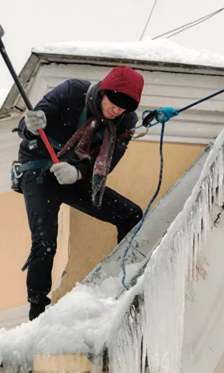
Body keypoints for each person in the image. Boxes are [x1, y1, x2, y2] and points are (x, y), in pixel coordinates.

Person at [15, 66, 145, 320]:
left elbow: (108, 161)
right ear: (103, 92)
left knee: (131, 214)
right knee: (45, 241)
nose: (116, 109)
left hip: (76, 177)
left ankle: (126, 278)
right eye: (114, 101)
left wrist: (78, 174)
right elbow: (29, 125)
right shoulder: (72, 91)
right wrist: (31, 125)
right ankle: (37, 310)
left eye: (123, 107)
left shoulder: (126, 123)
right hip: (39, 171)